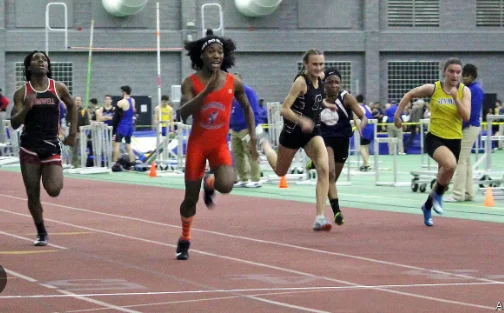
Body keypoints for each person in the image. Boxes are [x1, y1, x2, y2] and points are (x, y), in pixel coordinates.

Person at [175, 29, 258, 260]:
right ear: (201, 56)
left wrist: (252, 137)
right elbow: (183, 113)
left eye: (220, 52)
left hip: (219, 144)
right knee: (190, 199)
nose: (216, 56)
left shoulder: (233, 82)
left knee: (226, 186)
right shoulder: (190, 83)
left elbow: (247, 108)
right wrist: (207, 92)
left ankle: (210, 181)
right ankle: (184, 238)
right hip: (197, 146)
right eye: (211, 51)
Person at [259, 49, 336, 231]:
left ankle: (320, 217)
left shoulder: (322, 78)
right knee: (280, 171)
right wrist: (302, 121)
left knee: (324, 169)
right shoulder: (301, 82)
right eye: (315, 64)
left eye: (321, 64)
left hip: (312, 132)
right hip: (293, 131)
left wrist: (326, 105)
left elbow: (315, 100)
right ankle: (264, 145)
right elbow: (284, 109)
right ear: (306, 65)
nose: (318, 68)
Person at [10, 50, 77, 246]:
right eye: (36, 59)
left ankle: (41, 224)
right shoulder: (22, 93)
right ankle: (41, 231)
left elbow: (72, 106)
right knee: (33, 194)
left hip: (51, 146)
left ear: (48, 66)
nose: (41, 61)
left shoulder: (58, 88)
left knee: (54, 189)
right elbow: (14, 123)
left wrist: (73, 133)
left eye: (44, 60)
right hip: (29, 148)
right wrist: (26, 108)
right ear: (29, 67)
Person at [394, 58, 471, 226]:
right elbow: (409, 95)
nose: (455, 75)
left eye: (458, 72)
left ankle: (427, 206)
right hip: (435, 138)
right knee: (449, 165)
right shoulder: (434, 88)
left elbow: (466, 116)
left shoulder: (464, 91)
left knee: (444, 176)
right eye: (451, 71)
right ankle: (437, 196)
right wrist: (397, 115)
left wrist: (456, 98)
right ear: (444, 72)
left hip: (455, 140)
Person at [319, 68, 367, 225]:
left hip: (343, 141)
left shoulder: (346, 98)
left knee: (331, 179)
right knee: (330, 173)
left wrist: (360, 126)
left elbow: (362, 116)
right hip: (325, 140)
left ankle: (316, 164)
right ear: (324, 83)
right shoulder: (318, 99)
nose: (334, 85)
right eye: (330, 82)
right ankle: (337, 211)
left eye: (337, 83)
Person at [445, 64, 483, 202]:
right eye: (463, 75)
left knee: (459, 160)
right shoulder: (464, 88)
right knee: (466, 161)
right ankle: (468, 193)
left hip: (469, 126)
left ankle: (457, 194)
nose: (464, 78)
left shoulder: (476, 90)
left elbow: (472, 113)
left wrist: (458, 126)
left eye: (467, 76)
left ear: (472, 76)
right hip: (465, 126)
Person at [229, 72, 262, 188]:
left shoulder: (248, 92)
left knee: (251, 152)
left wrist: (252, 129)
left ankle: (255, 179)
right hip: (234, 128)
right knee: (237, 154)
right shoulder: (231, 93)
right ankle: (243, 178)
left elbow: (255, 111)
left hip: (246, 128)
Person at [112, 86, 136, 169]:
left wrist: (113, 128)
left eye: (122, 92)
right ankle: (132, 162)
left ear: (124, 92)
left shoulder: (121, 102)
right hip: (130, 126)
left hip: (122, 125)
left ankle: (114, 162)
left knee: (117, 144)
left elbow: (116, 117)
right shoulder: (133, 101)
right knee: (128, 144)